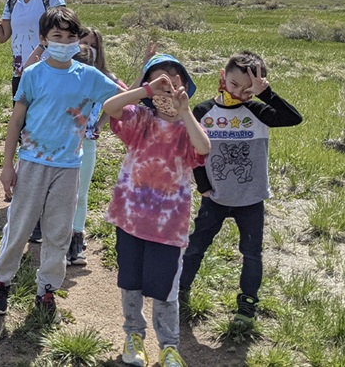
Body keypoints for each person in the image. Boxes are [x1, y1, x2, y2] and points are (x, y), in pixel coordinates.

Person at [0, 7, 120, 321]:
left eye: (70, 37)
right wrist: (8, 166)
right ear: (44, 39)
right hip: (32, 163)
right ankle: (1, 282)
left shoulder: (88, 76)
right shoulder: (33, 74)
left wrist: (149, 89)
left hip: (69, 167)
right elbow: (16, 120)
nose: (64, 41)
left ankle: (46, 290)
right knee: (19, 229)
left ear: (78, 41)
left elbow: (120, 99)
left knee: (58, 233)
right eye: (56, 36)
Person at [179, 51, 302, 330]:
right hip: (216, 198)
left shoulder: (258, 110)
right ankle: (180, 292)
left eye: (249, 89)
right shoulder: (203, 112)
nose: (241, 93)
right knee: (196, 246)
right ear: (223, 77)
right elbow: (194, 152)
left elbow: (294, 118)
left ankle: (247, 306)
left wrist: (266, 94)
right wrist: (204, 186)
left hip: (251, 199)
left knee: (251, 253)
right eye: (235, 85)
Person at [101, 53, 210, 367]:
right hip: (130, 218)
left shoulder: (189, 128)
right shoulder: (140, 119)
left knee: (166, 290)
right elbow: (111, 107)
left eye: (174, 78)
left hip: (168, 225)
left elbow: (203, 148)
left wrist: (185, 112)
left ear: (185, 85)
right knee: (130, 282)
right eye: (159, 78)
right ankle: (133, 335)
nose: (167, 85)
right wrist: (146, 91)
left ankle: (168, 346)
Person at [66, 28, 128, 266]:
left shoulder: (105, 77)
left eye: (93, 44)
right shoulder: (66, 74)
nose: (88, 48)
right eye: (84, 42)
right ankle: (57, 236)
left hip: (88, 143)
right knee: (61, 194)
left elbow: (123, 98)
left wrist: (100, 123)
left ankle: (76, 240)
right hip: (61, 143)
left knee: (81, 194)